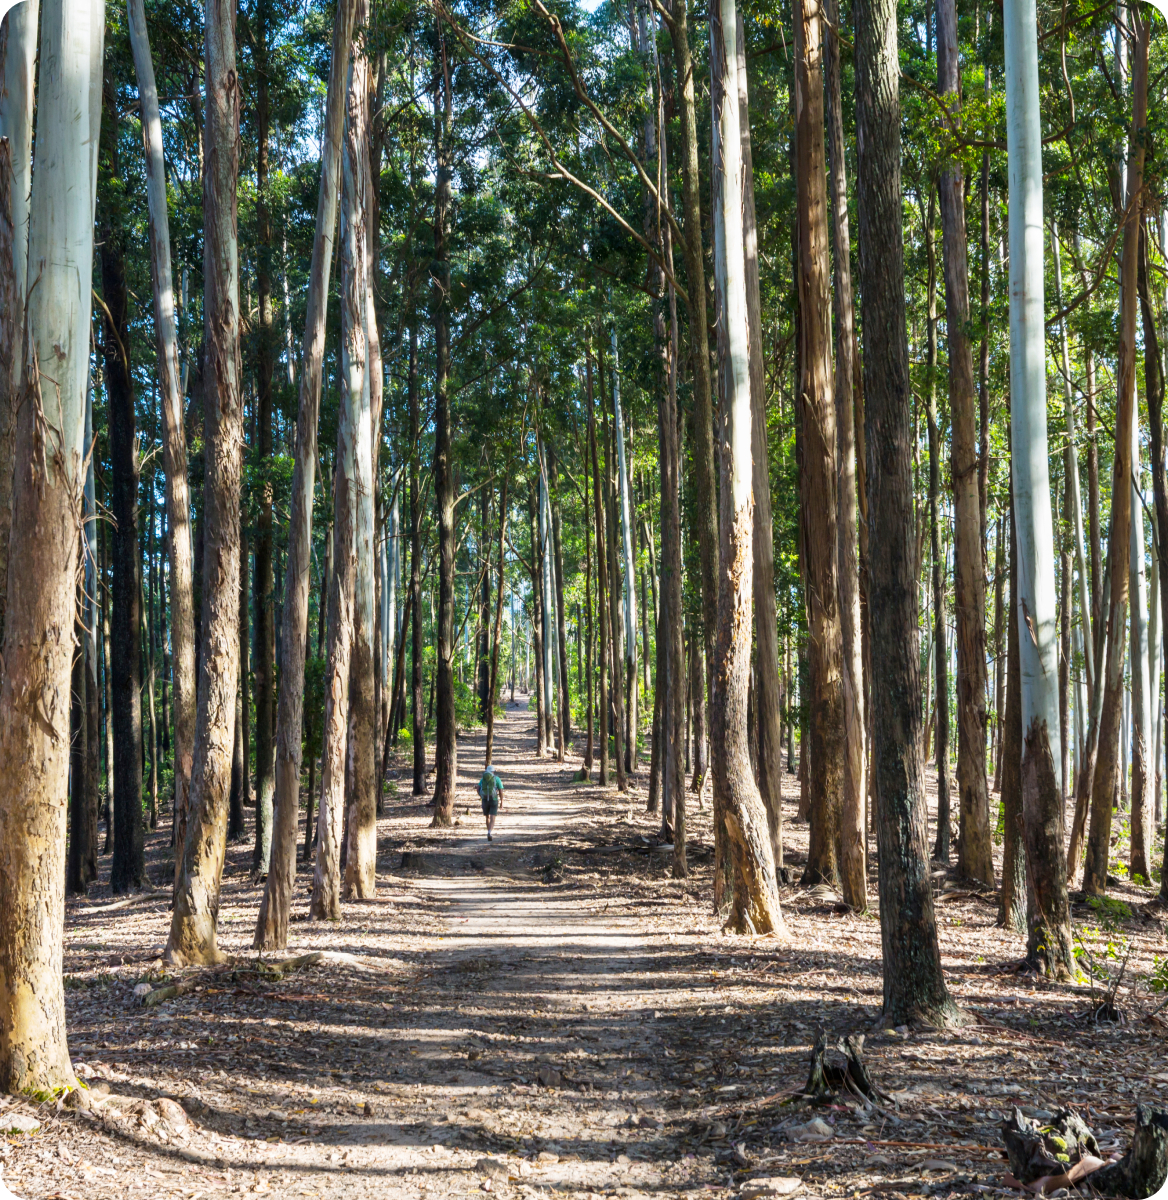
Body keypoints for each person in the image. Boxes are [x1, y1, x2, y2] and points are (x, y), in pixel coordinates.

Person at [477, 767, 503, 841]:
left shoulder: (483, 779)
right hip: (494, 799)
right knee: (493, 818)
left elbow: (478, 789)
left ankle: (488, 831)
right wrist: (502, 802)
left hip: (485, 800)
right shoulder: (497, 779)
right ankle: (489, 832)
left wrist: (481, 796)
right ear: (493, 772)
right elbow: (501, 791)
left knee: (487, 817)